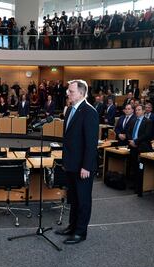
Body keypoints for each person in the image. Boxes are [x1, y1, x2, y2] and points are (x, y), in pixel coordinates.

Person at [56, 79, 98, 245]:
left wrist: (86, 166)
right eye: (68, 90)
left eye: (71, 91)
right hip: (71, 164)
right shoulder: (69, 110)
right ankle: (72, 227)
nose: (68, 93)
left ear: (81, 93)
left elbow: (91, 143)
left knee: (83, 200)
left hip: (83, 167)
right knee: (73, 199)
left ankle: (81, 232)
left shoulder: (89, 112)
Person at [126, 104, 153, 192]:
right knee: (134, 166)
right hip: (133, 146)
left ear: (144, 111)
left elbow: (147, 135)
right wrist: (131, 141)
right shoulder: (133, 120)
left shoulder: (148, 121)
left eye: (139, 110)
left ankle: (140, 186)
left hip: (142, 147)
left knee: (140, 167)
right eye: (136, 110)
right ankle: (134, 184)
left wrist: (136, 141)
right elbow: (128, 131)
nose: (137, 111)